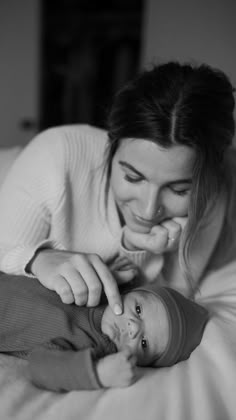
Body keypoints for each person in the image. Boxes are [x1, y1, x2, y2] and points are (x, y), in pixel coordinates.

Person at [0, 61, 235, 314]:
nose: (148, 211)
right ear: (111, 146)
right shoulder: (54, 155)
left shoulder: (210, 192)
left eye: (179, 190)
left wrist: (135, 247)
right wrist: (38, 259)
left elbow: (167, 309)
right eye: (133, 177)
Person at [0, 273, 208, 391]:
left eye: (144, 343)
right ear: (129, 293)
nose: (133, 327)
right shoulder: (101, 286)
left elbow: (41, 366)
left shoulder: (92, 346)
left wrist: (98, 373)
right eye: (138, 309)